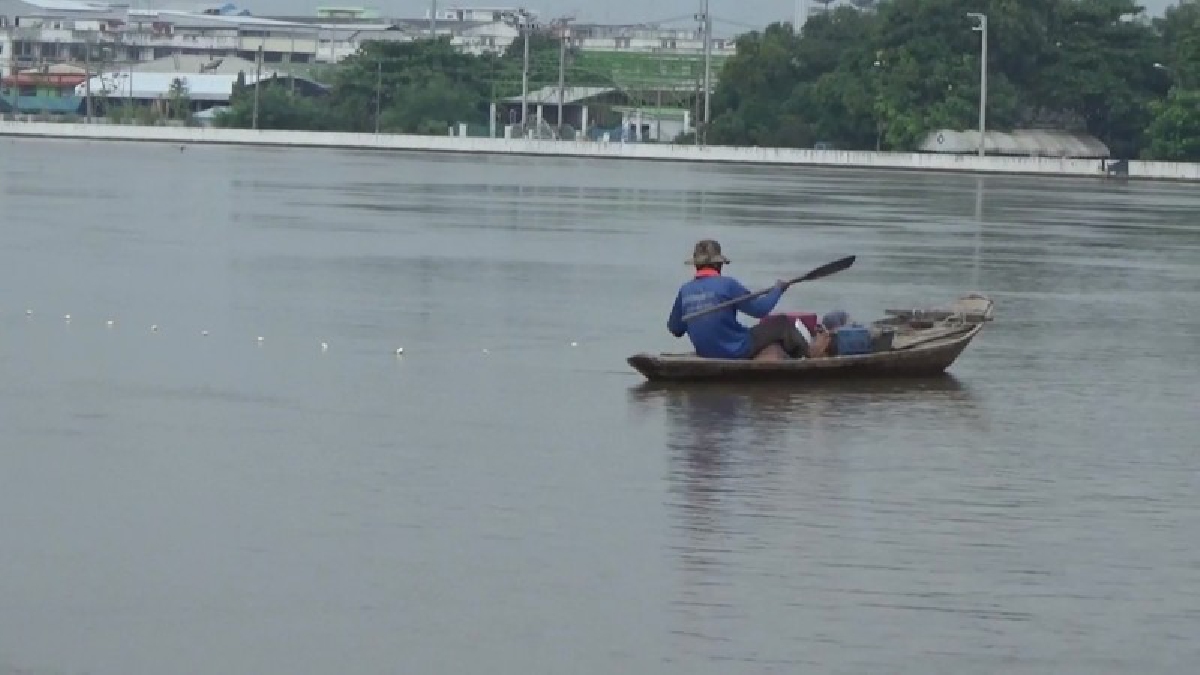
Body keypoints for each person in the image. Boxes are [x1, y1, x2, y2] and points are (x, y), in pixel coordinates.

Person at [667, 239, 811, 359]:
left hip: (705, 352)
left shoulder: (685, 290)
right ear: (718, 264)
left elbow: (675, 329)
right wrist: (778, 290)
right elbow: (760, 310)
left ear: (696, 265)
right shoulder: (727, 285)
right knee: (782, 323)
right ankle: (809, 357)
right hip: (735, 350)